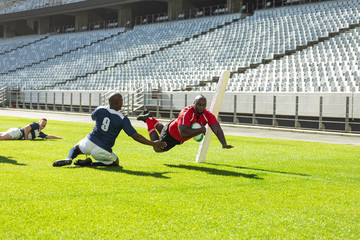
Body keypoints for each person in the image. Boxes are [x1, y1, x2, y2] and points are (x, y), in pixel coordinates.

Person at [53, 93, 167, 167]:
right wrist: (153, 143)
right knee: (115, 162)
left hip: (89, 141)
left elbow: (93, 117)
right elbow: (135, 136)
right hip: (102, 149)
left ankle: (69, 158)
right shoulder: (122, 118)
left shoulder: (100, 109)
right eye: (121, 101)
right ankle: (91, 164)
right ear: (118, 103)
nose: (122, 102)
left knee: (76, 148)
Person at [136, 94, 234, 152]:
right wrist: (201, 129)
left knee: (162, 129)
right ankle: (148, 120)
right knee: (157, 147)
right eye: (199, 104)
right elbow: (183, 132)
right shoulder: (186, 112)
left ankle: (151, 118)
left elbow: (217, 128)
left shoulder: (207, 114)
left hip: (177, 135)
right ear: (194, 103)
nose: (201, 107)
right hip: (171, 134)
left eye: (203, 105)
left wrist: (224, 143)